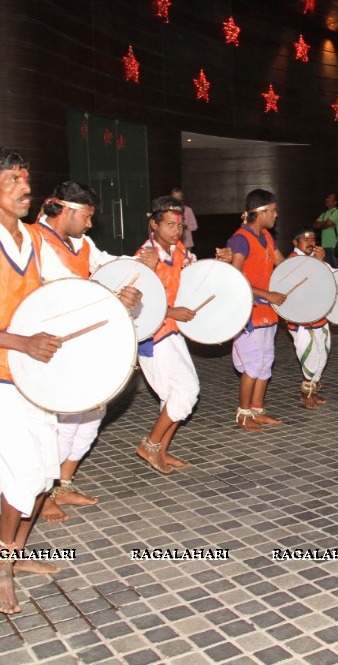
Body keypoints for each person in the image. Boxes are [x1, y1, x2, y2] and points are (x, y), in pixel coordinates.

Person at [0, 146, 141, 614]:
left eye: (26, 178)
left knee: (45, 468)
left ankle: (16, 553)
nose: (26, 187)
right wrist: (21, 342)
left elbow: (65, 290)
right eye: (13, 180)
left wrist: (114, 299)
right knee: (23, 473)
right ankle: (2, 567)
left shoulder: (31, 240)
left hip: (30, 372)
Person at [29, 182, 158, 522]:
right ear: (66, 210)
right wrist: (110, 297)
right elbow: (58, 286)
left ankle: (63, 484)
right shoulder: (32, 239)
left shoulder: (80, 241)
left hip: (84, 338)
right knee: (61, 420)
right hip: (53, 340)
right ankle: (42, 495)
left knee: (89, 415)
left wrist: (138, 262)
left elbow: (107, 264)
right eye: (86, 217)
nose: (89, 225)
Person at [135, 195, 229, 473]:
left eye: (180, 225)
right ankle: (150, 445)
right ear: (154, 225)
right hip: (153, 336)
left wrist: (218, 261)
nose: (177, 231)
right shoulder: (145, 257)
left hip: (172, 333)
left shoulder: (179, 253)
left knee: (174, 396)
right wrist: (172, 312)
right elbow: (136, 301)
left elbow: (195, 277)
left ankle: (161, 450)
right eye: (170, 225)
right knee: (186, 392)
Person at [228, 189, 287, 430]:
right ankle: (243, 414)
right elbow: (234, 277)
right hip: (249, 312)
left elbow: (282, 264)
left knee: (265, 362)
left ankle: (257, 409)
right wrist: (267, 294)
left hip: (267, 312)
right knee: (252, 364)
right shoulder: (240, 239)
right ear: (260, 212)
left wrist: (309, 267)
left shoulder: (267, 237)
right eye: (272, 210)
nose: (276, 214)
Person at [285, 226, 338, 408]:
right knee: (309, 355)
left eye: (313, 240)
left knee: (322, 355)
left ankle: (313, 390)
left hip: (320, 316)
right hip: (301, 319)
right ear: (295, 243)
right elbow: (301, 282)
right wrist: (318, 263)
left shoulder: (316, 259)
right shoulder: (291, 261)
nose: (311, 243)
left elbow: (333, 276)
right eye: (306, 240)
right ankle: (305, 394)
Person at [313, 192, 338, 268]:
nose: (326, 199)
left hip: (335, 246)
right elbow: (315, 225)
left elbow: (327, 223)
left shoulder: (337, 212)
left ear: (335, 202)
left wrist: (323, 224)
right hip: (324, 247)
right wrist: (326, 223)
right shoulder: (324, 214)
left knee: (337, 270)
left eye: (329, 198)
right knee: (328, 270)